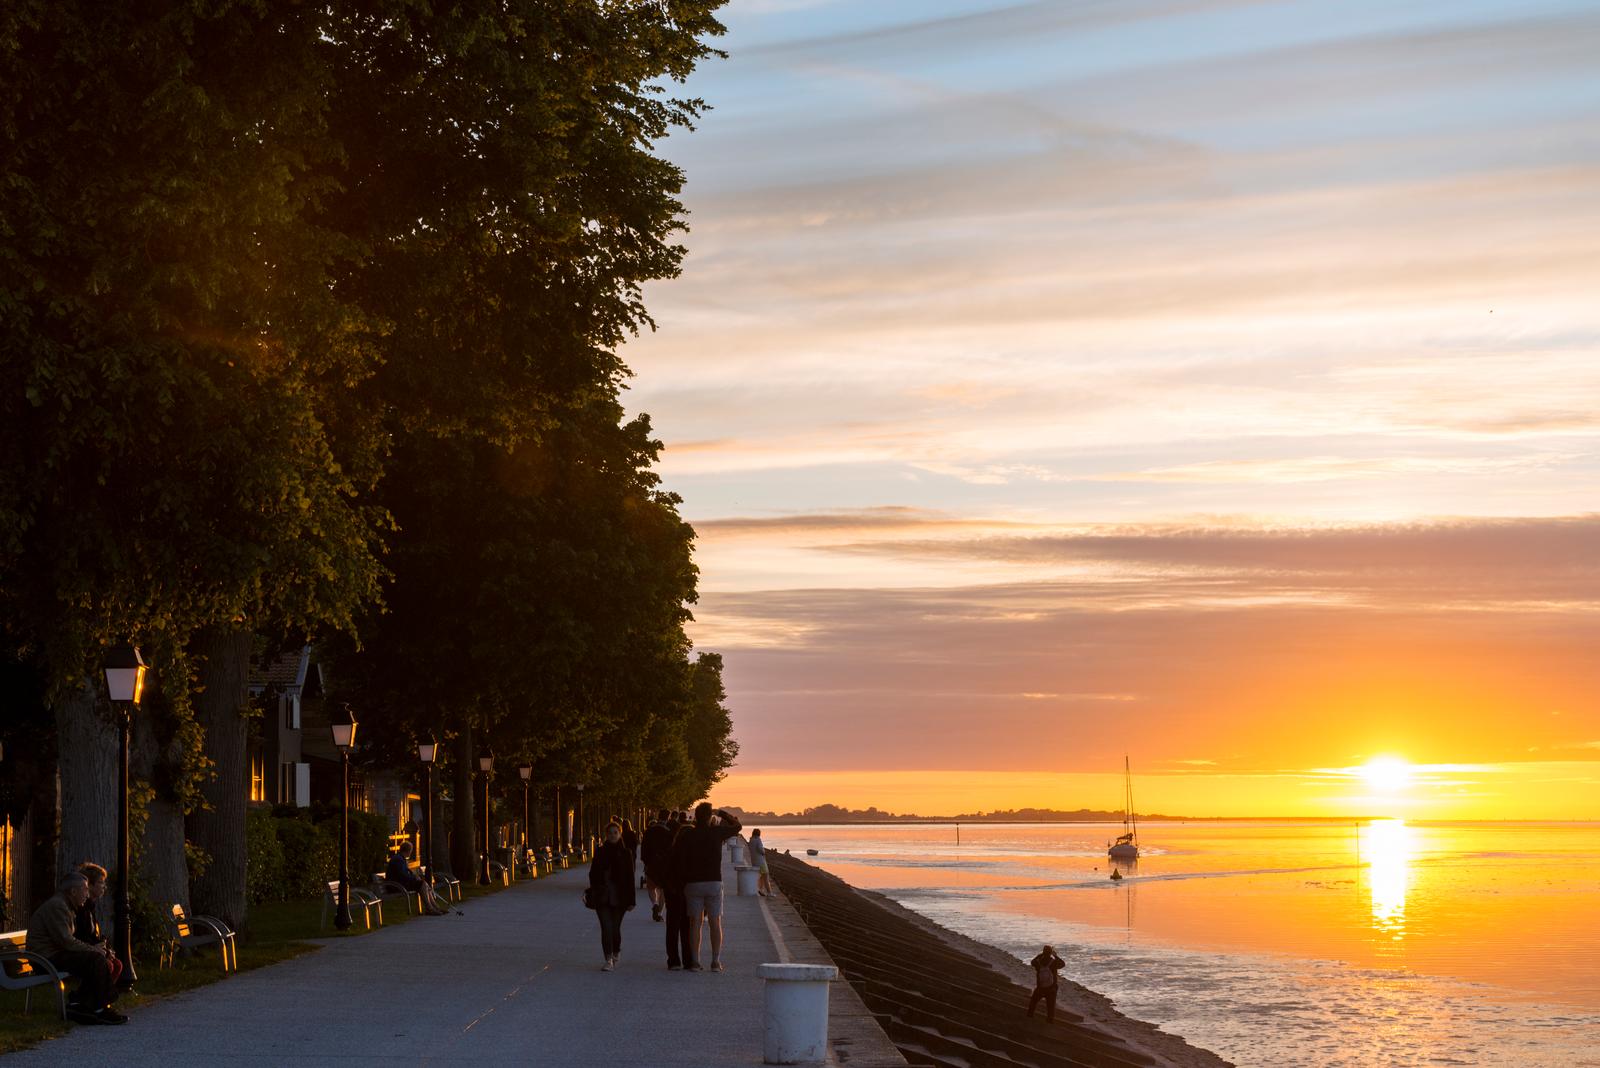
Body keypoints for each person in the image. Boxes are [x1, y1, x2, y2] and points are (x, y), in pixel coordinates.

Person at [27, 871, 126, 1025]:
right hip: (44, 959)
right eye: (85, 890)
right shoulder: (58, 906)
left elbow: (68, 941)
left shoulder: (66, 905)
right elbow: (66, 941)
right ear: (73, 891)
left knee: (95, 959)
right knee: (95, 960)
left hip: (53, 955)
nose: (87, 895)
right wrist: (93, 949)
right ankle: (99, 1008)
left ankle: (82, 1005)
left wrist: (97, 949)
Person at [670, 801, 742, 972]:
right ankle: (716, 961)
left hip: (693, 884)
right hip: (713, 883)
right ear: (710, 817)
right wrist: (722, 813)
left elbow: (680, 859)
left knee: (695, 923)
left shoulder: (688, 835)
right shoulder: (716, 833)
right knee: (715, 922)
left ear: (696, 817)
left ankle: (695, 961)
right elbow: (738, 826)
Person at [588, 821, 637, 971]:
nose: (613, 835)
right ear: (606, 835)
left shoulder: (626, 853)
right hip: (603, 896)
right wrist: (596, 887)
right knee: (606, 927)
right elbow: (592, 873)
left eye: (616, 833)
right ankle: (608, 959)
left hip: (620, 897)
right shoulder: (600, 851)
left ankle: (616, 951)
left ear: (620, 834)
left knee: (615, 928)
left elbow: (630, 878)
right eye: (610, 833)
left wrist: (631, 901)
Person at [72, 863, 125, 992]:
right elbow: (80, 935)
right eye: (101, 883)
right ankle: (89, 999)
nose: (104, 886)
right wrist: (100, 950)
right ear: (89, 885)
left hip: (90, 949)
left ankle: (99, 999)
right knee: (107, 965)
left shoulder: (90, 907)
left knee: (117, 964)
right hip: (80, 951)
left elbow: (94, 934)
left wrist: (107, 949)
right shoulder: (81, 908)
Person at [386, 841, 448, 915]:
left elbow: (406, 872)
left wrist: (415, 876)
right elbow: (402, 875)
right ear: (408, 851)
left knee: (424, 884)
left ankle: (435, 907)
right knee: (422, 884)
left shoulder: (400, 858)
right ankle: (430, 908)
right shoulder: (398, 859)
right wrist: (414, 878)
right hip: (396, 886)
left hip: (400, 883)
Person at [640, 809, 674, 922]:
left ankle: (654, 903)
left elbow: (644, 848)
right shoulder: (669, 832)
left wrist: (645, 861)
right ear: (668, 817)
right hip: (665, 865)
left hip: (651, 863)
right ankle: (659, 912)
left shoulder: (649, 831)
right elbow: (671, 849)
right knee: (663, 890)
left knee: (651, 887)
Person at [1027, 945, 1065, 1022]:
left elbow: (1032, 962)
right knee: (1050, 1007)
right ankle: (1049, 1021)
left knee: (1033, 1003)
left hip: (1040, 987)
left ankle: (1029, 1017)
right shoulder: (1053, 962)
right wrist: (1055, 956)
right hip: (1051, 988)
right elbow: (1062, 964)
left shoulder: (1038, 962)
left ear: (1043, 952)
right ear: (1050, 952)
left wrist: (1040, 954)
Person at [748, 829, 770, 897]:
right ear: (759, 834)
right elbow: (761, 850)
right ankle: (769, 892)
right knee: (766, 875)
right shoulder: (758, 840)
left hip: (754, 861)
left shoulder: (751, 840)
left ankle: (760, 890)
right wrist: (764, 852)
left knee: (761, 876)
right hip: (761, 861)